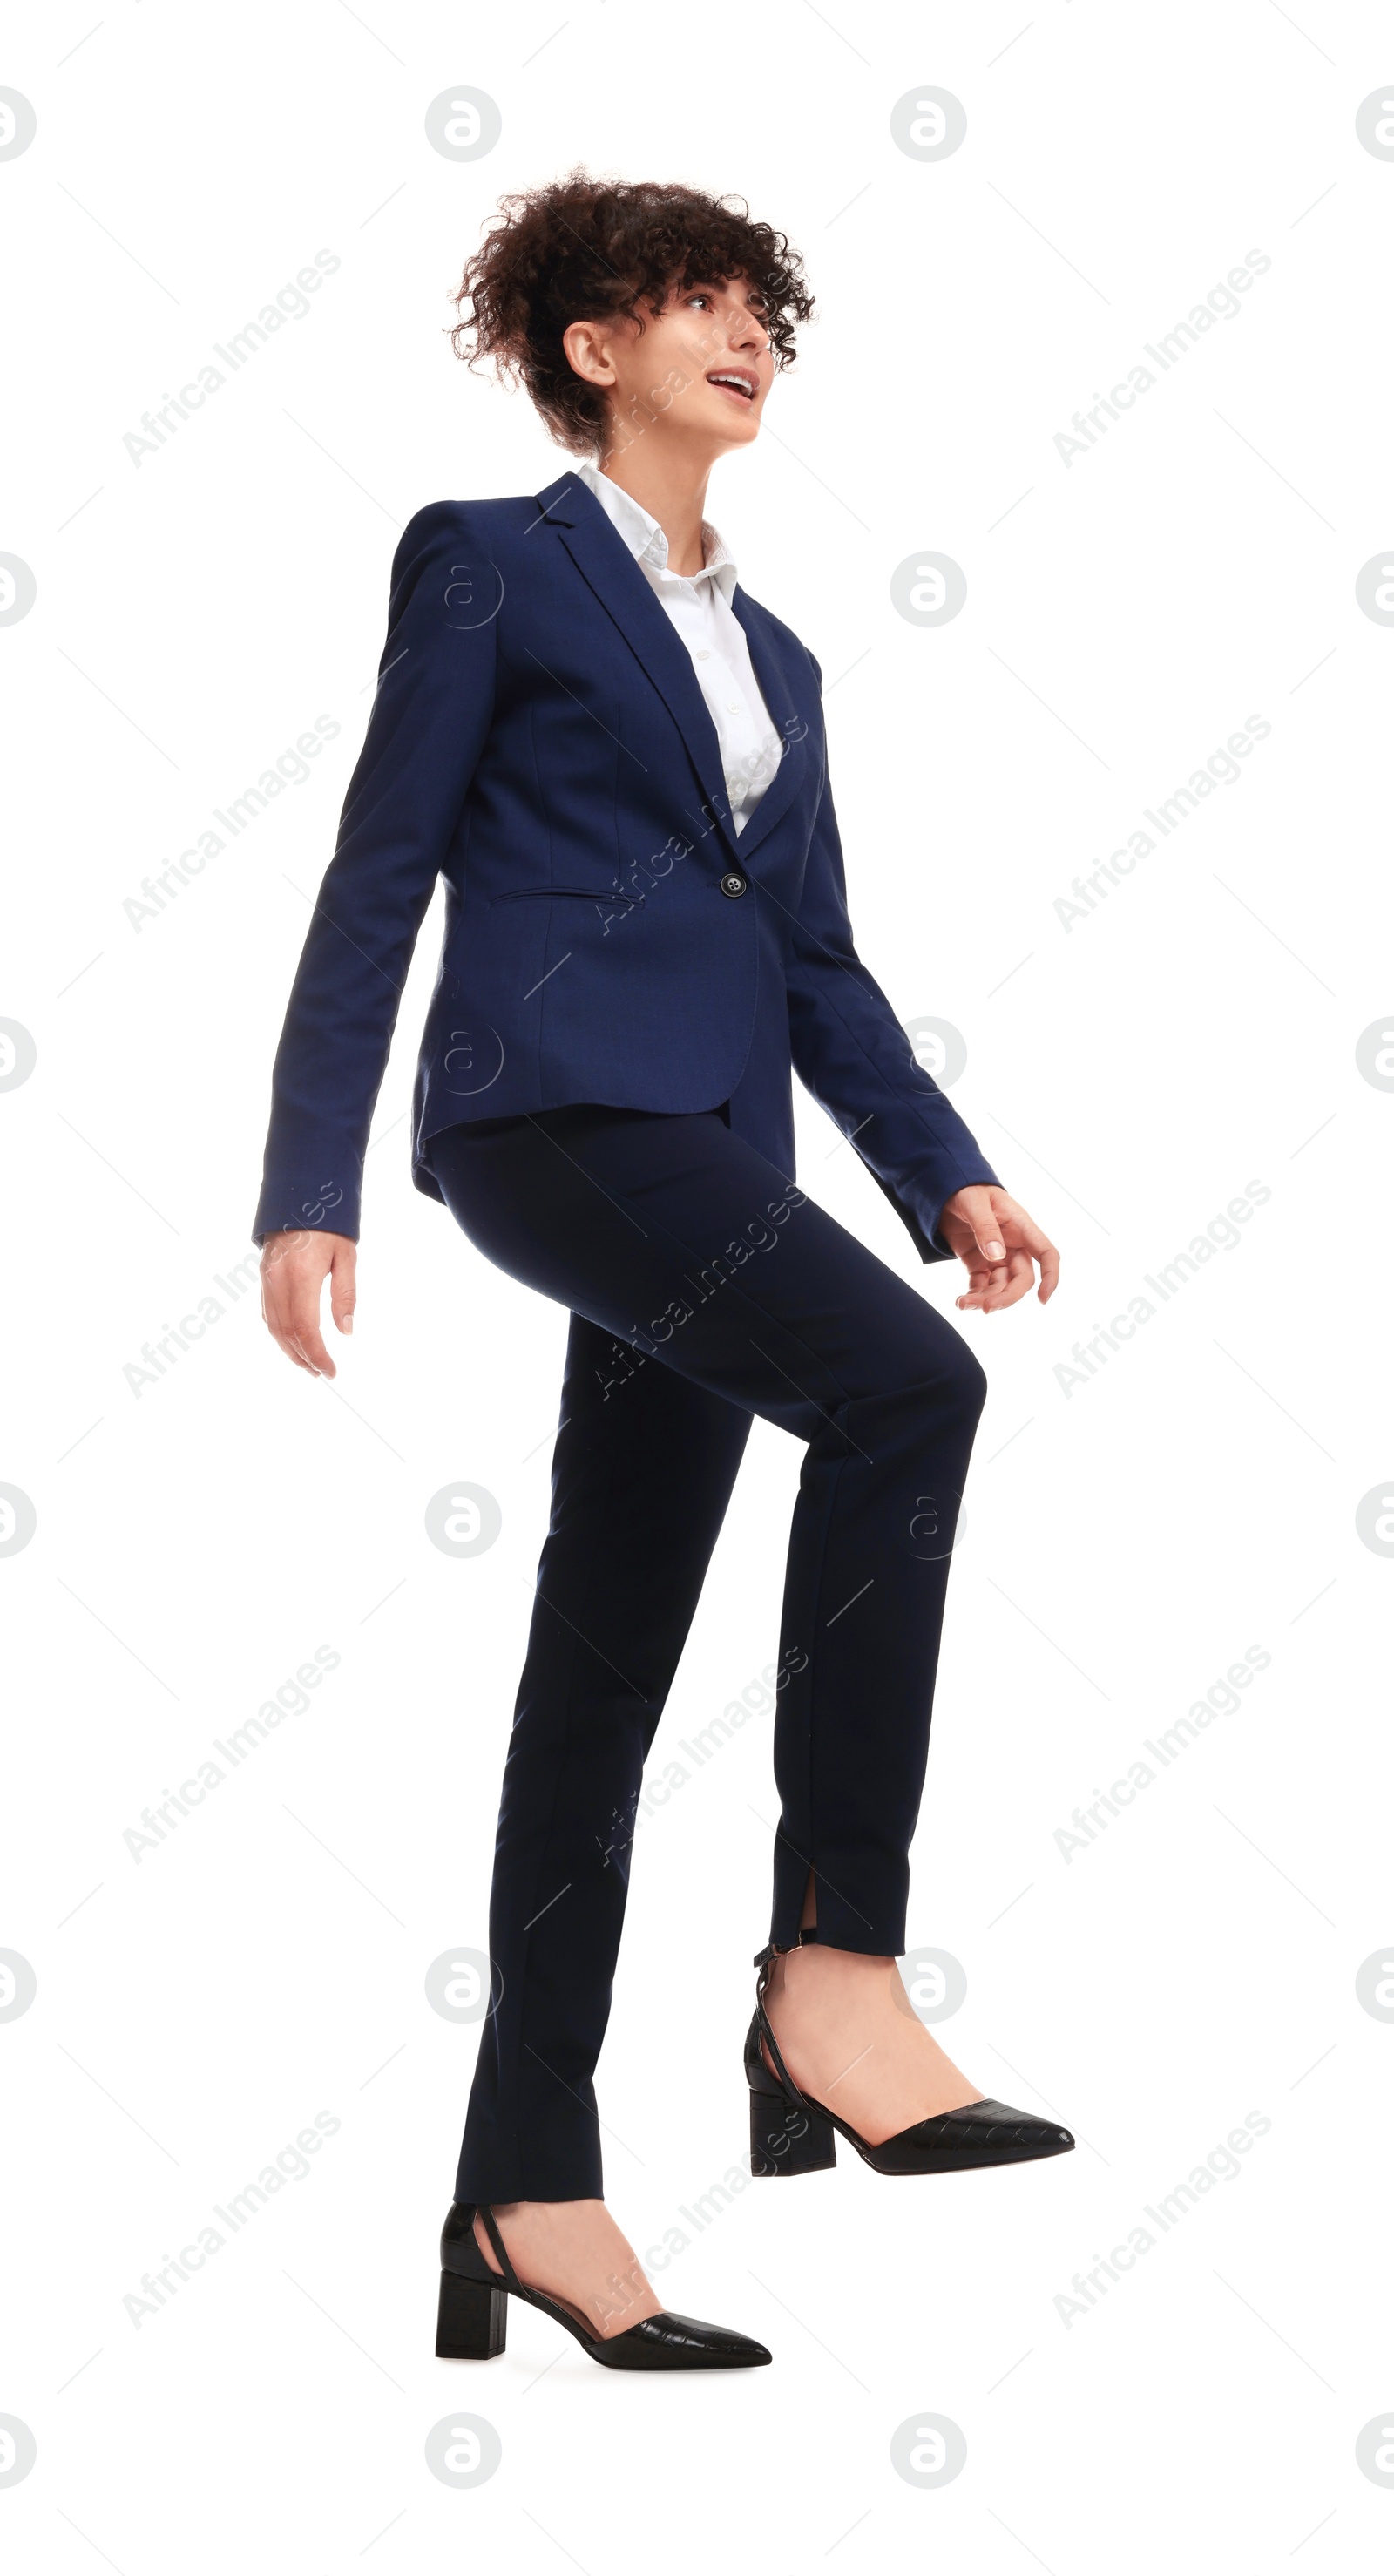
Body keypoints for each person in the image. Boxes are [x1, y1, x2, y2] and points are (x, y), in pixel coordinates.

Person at [253, 173, 1071, 2376]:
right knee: (908, 1394)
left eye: (763, 312)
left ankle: (523, 2185)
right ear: (590, 344)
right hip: (547, 1119)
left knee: (598, 1664)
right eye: (692, 304)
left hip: (713, 1151)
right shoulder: (487, 558)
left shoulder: (775, 653)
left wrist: (941, 1170)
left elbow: (808, 950)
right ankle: (832, 1967)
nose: (744, 337)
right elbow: (379, 862)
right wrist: (304, 1172)